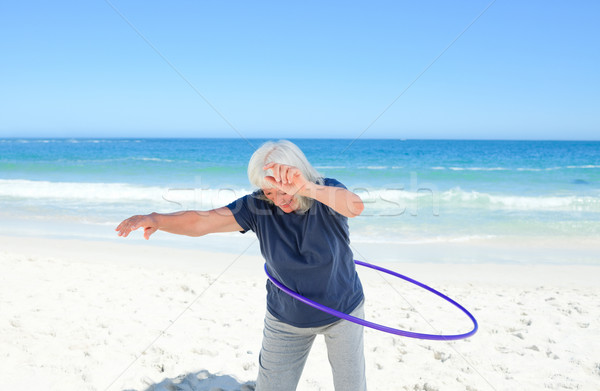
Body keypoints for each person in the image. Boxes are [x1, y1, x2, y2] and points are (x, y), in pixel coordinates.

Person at [116, 140, 367, 391]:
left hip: (342, 311)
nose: (279, 200)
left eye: (285, 189)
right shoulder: (256, 206)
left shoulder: (326, 191)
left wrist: (306, 188)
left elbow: (355, 206)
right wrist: (156, 219)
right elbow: (202, 222)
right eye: (269, 192)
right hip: (287, 316)